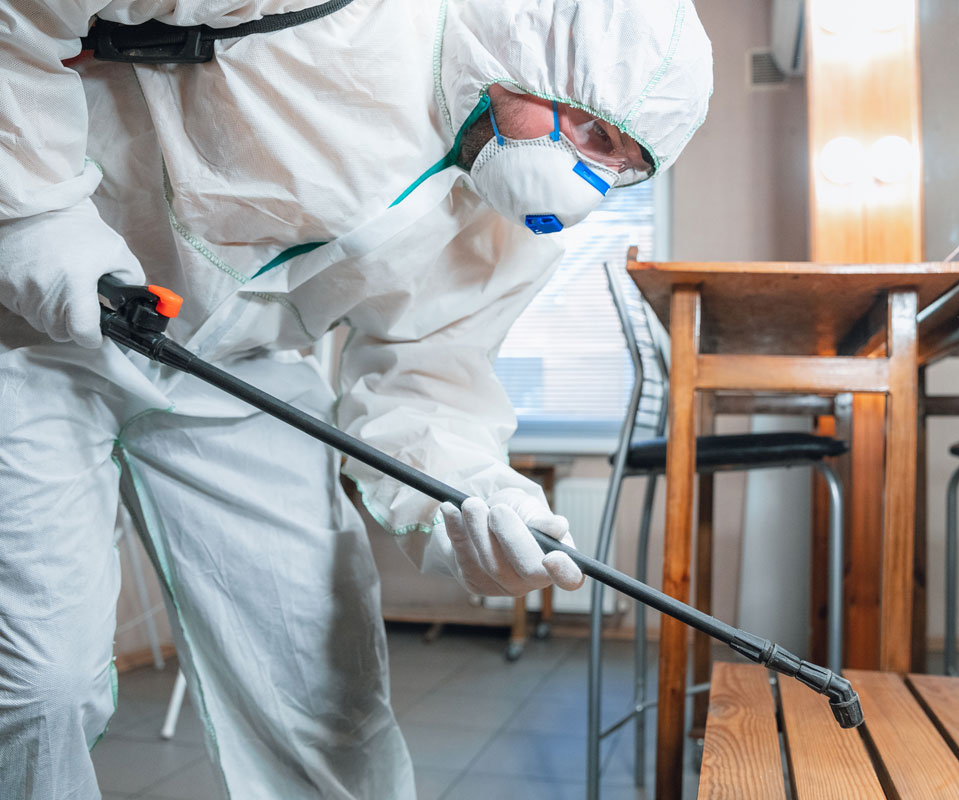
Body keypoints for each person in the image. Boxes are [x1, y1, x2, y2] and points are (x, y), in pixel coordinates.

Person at [0, 0, 713, 797]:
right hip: (37, 325)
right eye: (596, 132)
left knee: (324, 693)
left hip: (240, 370)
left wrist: (476, 501)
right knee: (37, 686)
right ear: (539, 44)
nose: (585, 182)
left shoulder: (505, 225)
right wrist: (33, 217)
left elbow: (429, 380)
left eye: (619, 167)